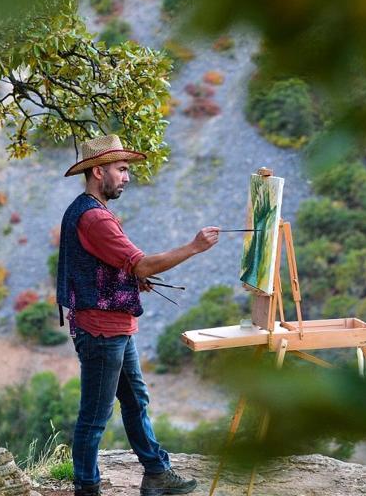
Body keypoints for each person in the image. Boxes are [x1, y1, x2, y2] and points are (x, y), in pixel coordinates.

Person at [56, 134, 220, 496]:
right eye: (122, 169)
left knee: (134, 401)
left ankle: (157, 473)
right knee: (95, 417)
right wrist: (193, 247)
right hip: (101, 331)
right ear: (98, 171)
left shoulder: (85, 209)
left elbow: (109, 266)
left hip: (111, 327)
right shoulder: (95, 218)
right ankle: (87, 487)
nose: (128, 177)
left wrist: (130, 278)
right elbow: (141, 263)